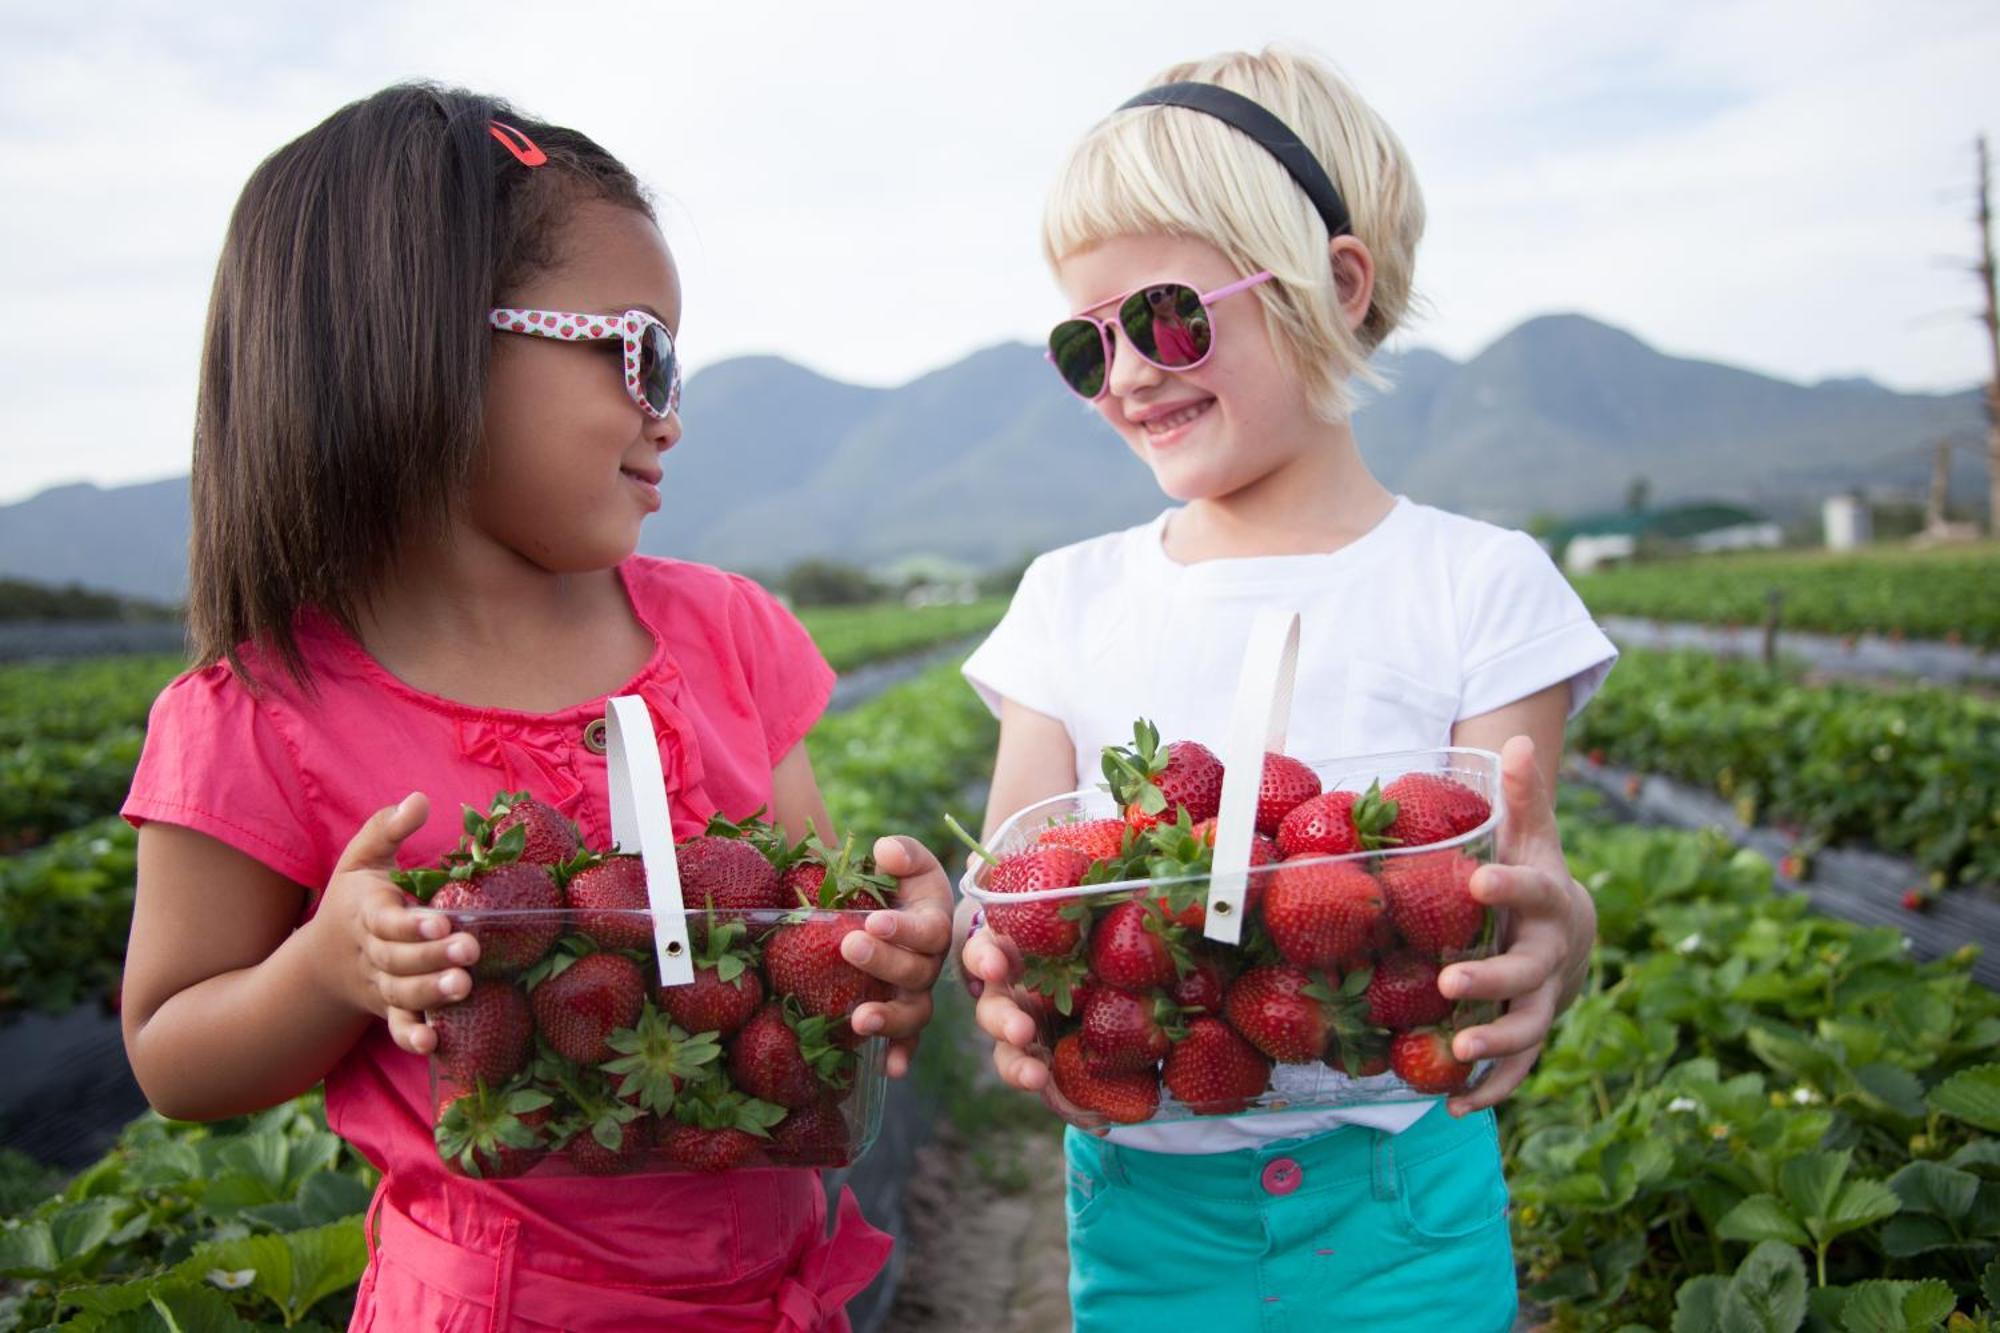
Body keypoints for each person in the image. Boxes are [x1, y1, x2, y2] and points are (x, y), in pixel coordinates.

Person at [119, 85, 952, 1332]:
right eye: (639, 350)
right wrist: (327, 968)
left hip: (772, 1298)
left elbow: (804, 918)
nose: (668, 410)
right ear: (428, 344)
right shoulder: (261, 712)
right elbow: (170, 1052)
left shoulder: (720, 632)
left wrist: (885, 949)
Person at [955, 47, 1617, 1332]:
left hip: (1401, 1197)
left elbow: (1504, 884)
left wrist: (1563, 936)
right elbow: (1019, 890)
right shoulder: (1066, 599)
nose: (1129, 372)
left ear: (1332, 279)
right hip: (1143, 1200)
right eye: (1083, 346)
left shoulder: (1478, 585)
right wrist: (999, 975)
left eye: (1164, 315)